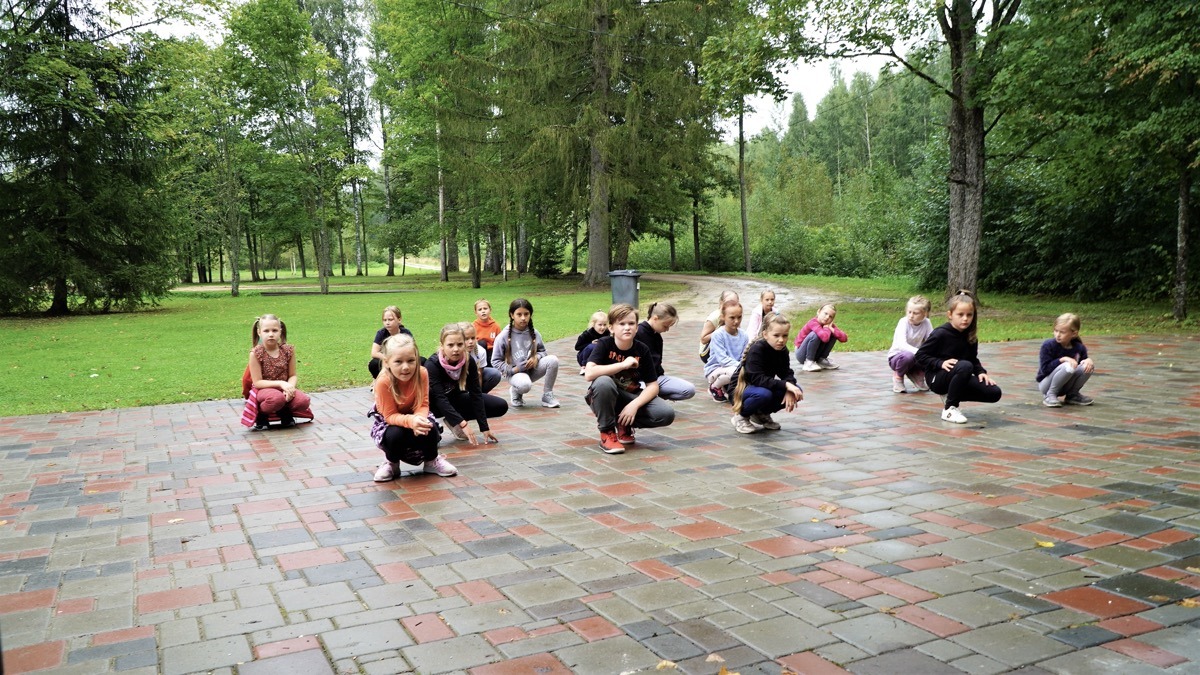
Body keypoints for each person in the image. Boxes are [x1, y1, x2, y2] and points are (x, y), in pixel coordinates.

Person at [584, 304, 676, 453]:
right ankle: (607, 432)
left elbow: (653, 386)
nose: (627, 327)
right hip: (605, 395)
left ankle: (624, 423)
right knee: (603, 382)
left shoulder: (642, 349)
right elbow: (589, 373)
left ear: (637, 327)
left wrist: (634, 405)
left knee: (665, 414)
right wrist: (622, 365)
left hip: (630, 395)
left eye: (631, 323)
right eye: (621, 324)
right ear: (611, 328)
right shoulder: (604, 344)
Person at [369, 334, 458, 481]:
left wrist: (419, 419)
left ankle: (431, 460)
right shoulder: (383, 382)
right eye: (398, 361)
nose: (406, 367)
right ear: (387, 362)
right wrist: (411, 421)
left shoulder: (422, 373)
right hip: (391, 422)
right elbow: (390, 416)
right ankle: (392, 463)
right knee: (394, 435)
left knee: (429, 427)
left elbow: (423, 404)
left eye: (411, 360)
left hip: (416, 415)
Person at [915, 290, 1003, 424]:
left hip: (959, 373)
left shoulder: (971, 336)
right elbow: (920, 355)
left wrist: (981, 372)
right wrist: (940, 363)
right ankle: (950, 409)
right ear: (950, 315)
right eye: (960, 314)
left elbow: (973, 358)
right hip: (936, 378)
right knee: (965, 365)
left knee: (994, 392)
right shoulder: (940, 334)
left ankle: (951, 395)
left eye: (969, 315)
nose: (965, 319)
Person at [426, 324, 506, 444]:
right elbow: (439, 398)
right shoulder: (432, 365)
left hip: (454, 399)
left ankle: (452, 420)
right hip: (433, 406)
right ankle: (440, 423)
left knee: (500, 405)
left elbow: (476, 394)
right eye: (450, 345)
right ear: (442, 345)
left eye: (459, 344)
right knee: (432, 441)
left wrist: (484, 427)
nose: (456, 349)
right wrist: (463, 424)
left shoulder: (468, 361)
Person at [729, 312, 804, 434]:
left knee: (797, 391)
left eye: (785, 335)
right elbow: (757, 379)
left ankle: (760, 413)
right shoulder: (757, 349)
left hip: (761, 387)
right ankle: (741, 416)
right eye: (776, 335)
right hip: (741, 390)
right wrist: (786, 385)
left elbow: (786, 372)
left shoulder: (782, 350)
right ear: (765, 334)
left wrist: (790, 387)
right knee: (764, 394)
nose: (781, 340)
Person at [491, 298, 561, 409]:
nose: (523, 318)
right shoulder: (504, 336)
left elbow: (543, 351)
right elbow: (495, 361)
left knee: (553, 360)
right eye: (519, 314)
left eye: (526, 314)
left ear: (530, 315)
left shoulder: (534, 333)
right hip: (515, 373)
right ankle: (516, 390)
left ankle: (547, 395)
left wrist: (536, 357)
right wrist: (514, 369)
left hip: (532, 369)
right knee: (525, 385)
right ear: (512, 315)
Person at [247, 314, 312, 430]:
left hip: (284, 387)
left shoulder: (288, 350)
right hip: (264, 389)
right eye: (266, 331)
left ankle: (285, 411)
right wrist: (281, 383)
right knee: (276, 399)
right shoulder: (256, 353)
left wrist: (290, 388)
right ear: (259, 332)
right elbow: (257, 382)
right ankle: (261, 413)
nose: (271, 334)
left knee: (303, 401)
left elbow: (292, 375)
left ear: (280, 331)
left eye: (274, 330)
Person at [636, 302, 696, 401]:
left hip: (657, 378)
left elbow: (657, 362)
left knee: (689, 389)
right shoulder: (638, 332)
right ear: (655, 318)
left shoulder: (657, 336)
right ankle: (651, 398)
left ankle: (657, 397)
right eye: (665, 326)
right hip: (640, 380)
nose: (667, 330)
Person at [1037, 313, 1095, 407]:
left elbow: (1082, 365)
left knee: (1087, 366)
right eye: (1056, 331)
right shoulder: (1048, 345)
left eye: (1062, 332)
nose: (1058, 335)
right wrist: (1062, 360)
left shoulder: (1079, 348)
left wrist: (1088, 360)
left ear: (1074, 333)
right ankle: (1050, 395)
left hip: (1066, 385)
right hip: (1047, 385)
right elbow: (1045, 369)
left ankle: (1072, 395)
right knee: (1068, 366)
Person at [704, 301, 748, 402]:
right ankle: (714, 386)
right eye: (732, 318)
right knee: (737, 372)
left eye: (739, 317)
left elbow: (744, 356)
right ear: (723, 317)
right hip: (715, 369)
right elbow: (722, 359)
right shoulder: (718, 335)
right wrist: (741, 367)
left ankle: (728, 387)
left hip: (734, 368)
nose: (736, 321)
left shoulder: (744, 335)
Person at [887, 296, 933, 393]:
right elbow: (902, 345)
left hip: (916, 356)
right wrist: (920, 352)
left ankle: (917, 374)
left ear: (925, 314)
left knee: (932, 355)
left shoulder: (927, 323)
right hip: (898, 357)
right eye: (909, 312)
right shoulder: (903, 322)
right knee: (908, 356)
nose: (911, 316)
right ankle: (898, 377)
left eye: (915, 313)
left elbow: (932, 341)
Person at [795, 303, 848, 372]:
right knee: (815, 334)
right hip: (802, 355)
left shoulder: (828, 325)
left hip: (815, 354)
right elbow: (825, 338)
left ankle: (822, 360)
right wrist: (827, 328)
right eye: (825, 313)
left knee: (834, 334)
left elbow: (844, 338)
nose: (827, 317)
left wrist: (832, 329)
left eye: (830, 316)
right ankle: (809, 362)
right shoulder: (813, 322)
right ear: (819, 312)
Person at [368, 305, 413, 379]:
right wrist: (389, 358)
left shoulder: (406, 333)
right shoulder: (381, 333)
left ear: (399, 320)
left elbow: (413, 351)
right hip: (386, 359)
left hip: (403, 359)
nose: (387, 323)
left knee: (422, 361)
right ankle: (379, 380)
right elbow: (374, 353)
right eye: (385, 320)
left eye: (390, 320)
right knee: (374, 363)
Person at [699, 290, 738, 363]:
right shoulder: (715, 317)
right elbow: (703, 339)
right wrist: (721, 331)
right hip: (708, 352)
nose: (732, 307)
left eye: (735, 304)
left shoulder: (736, 316)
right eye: (729, 303)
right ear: (721, 303)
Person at [462, 322, 500, 393]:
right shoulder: (455, 352)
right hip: (457, 382)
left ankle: (481, 394)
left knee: (495, 374)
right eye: (466, 339)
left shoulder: (481, 351)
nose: (471, 342)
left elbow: (479, 376)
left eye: (473, 338)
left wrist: (478, 394)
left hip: (471, 378)